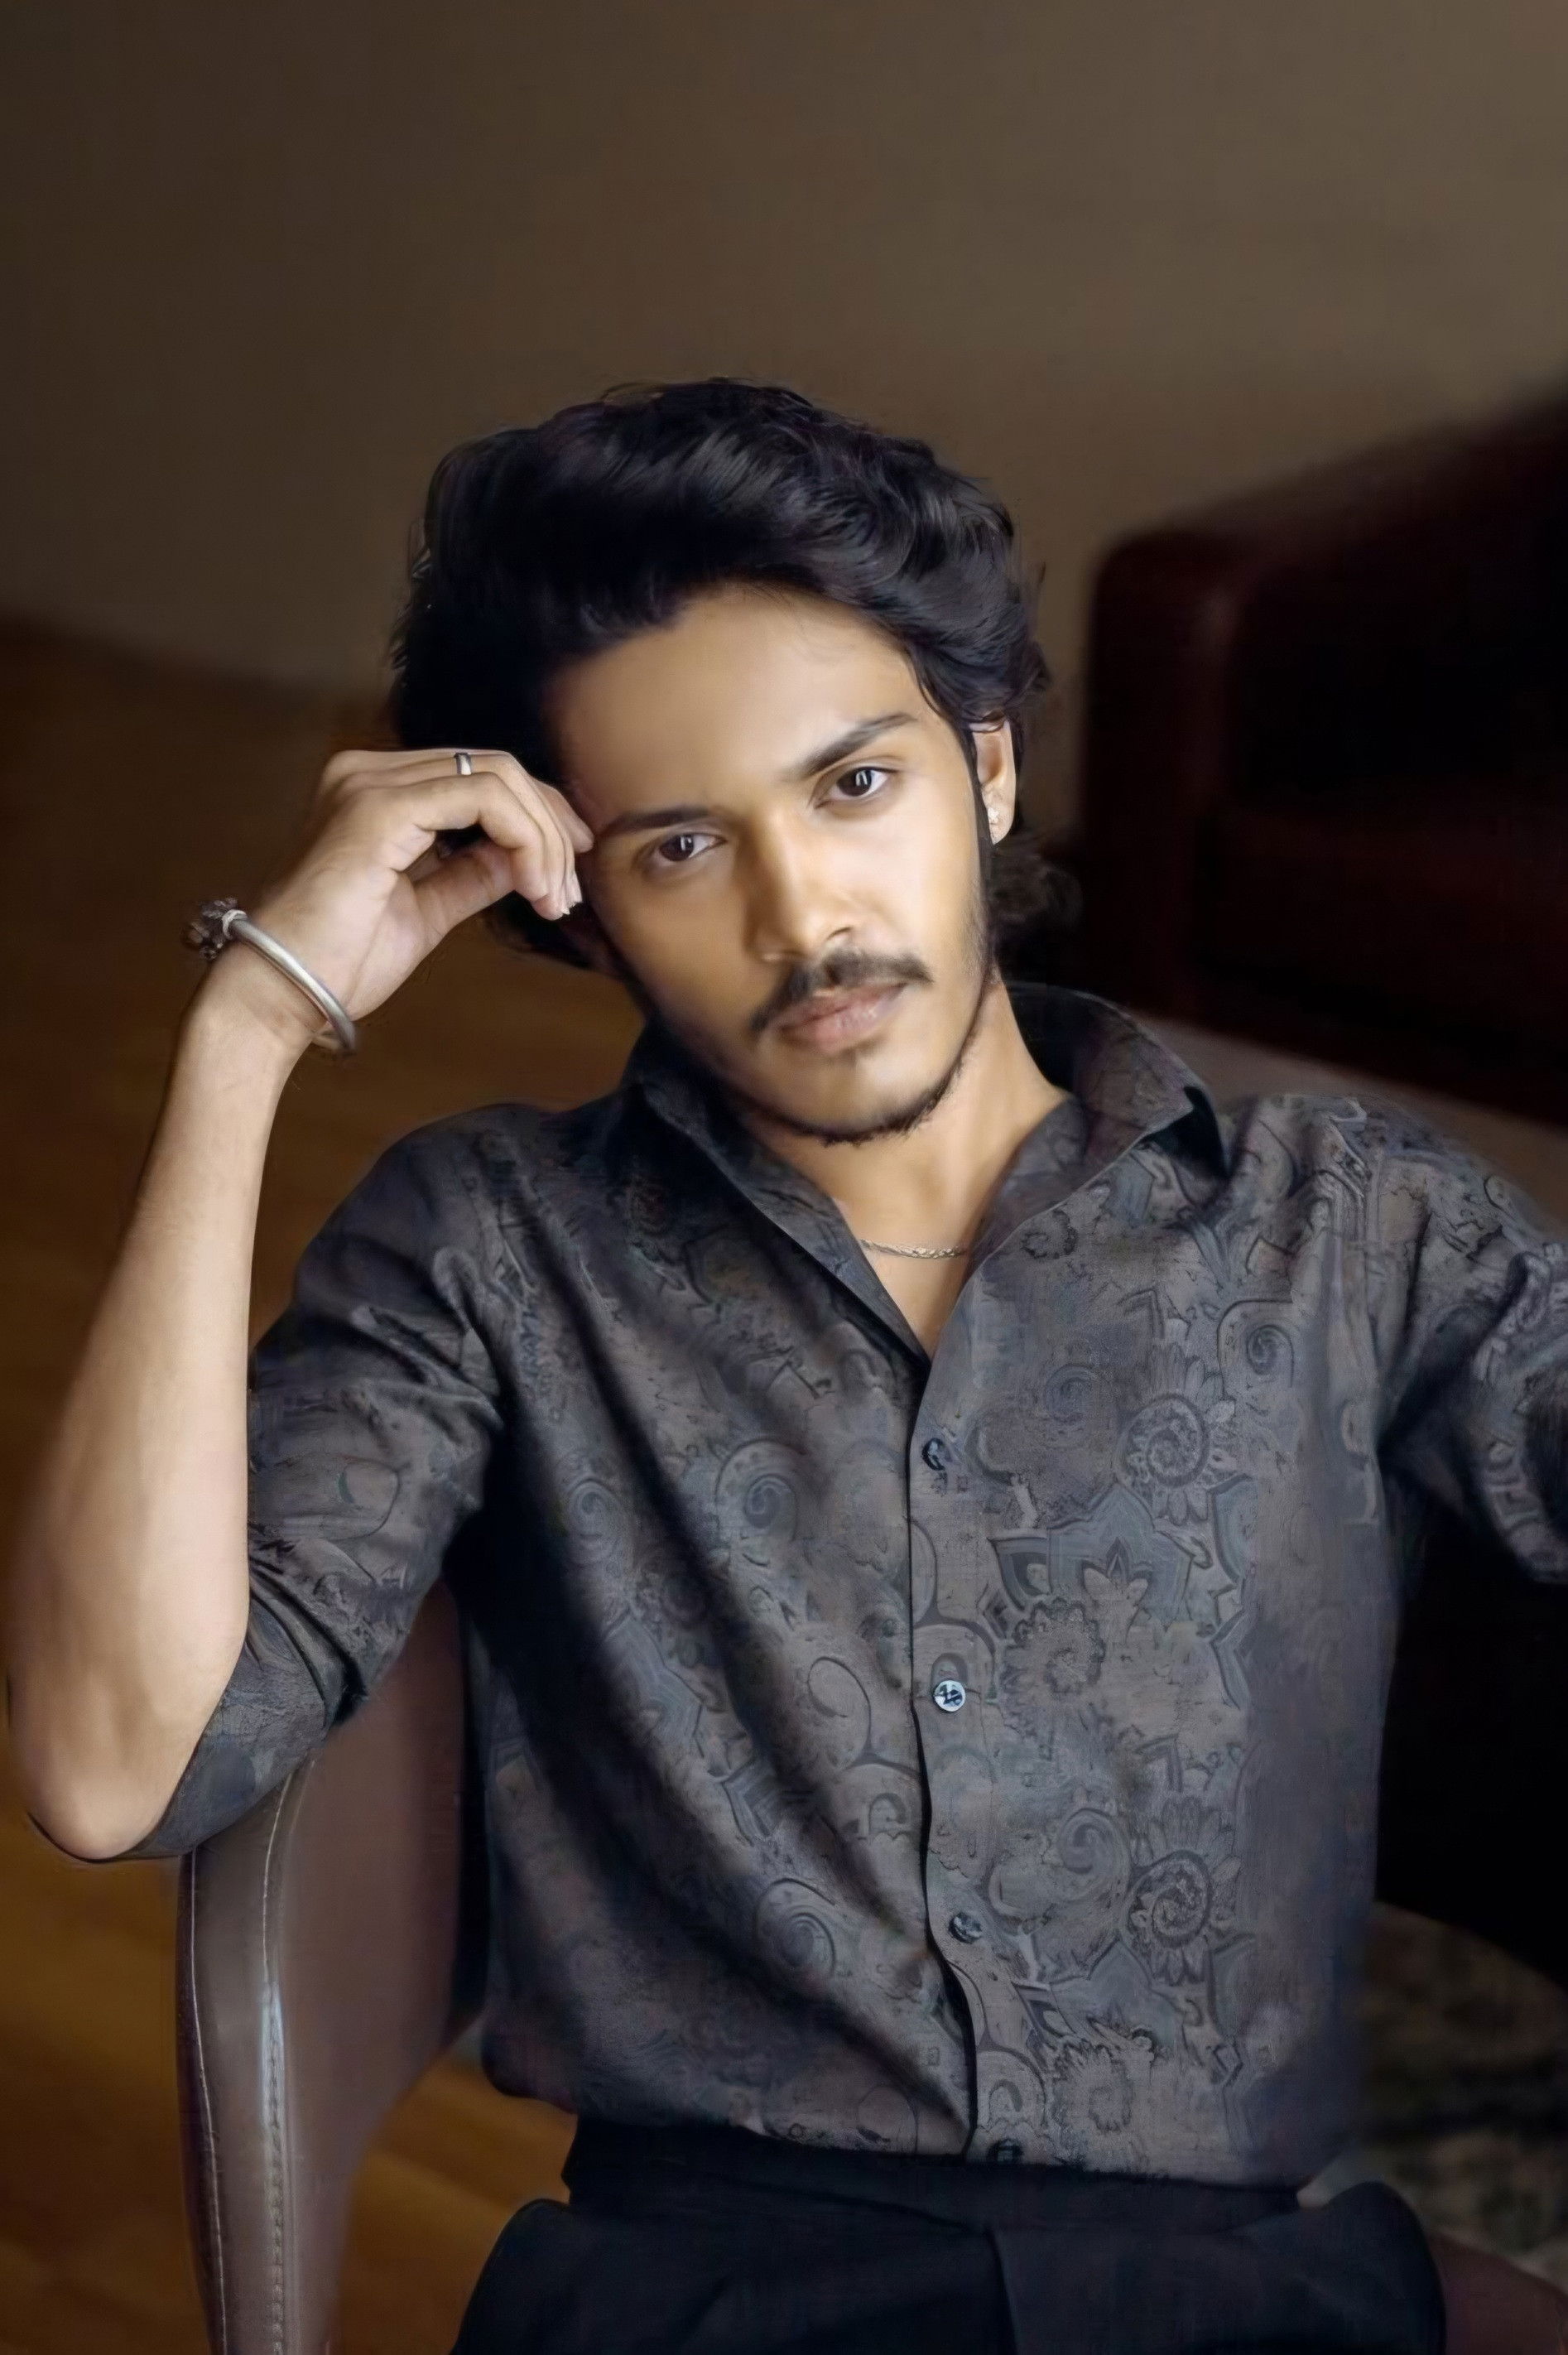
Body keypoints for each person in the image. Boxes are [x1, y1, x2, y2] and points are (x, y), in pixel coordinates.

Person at [7, 379, 1568, 2355]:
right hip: (708, 2303)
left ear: (984, 767)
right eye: (678, 847)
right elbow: (106, 1767)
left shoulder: (1344, 1225)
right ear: (577, 906)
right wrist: (248, 1026)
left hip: (1252, 2301)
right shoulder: (490, 1254)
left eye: (852, 786)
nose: (801, 916)